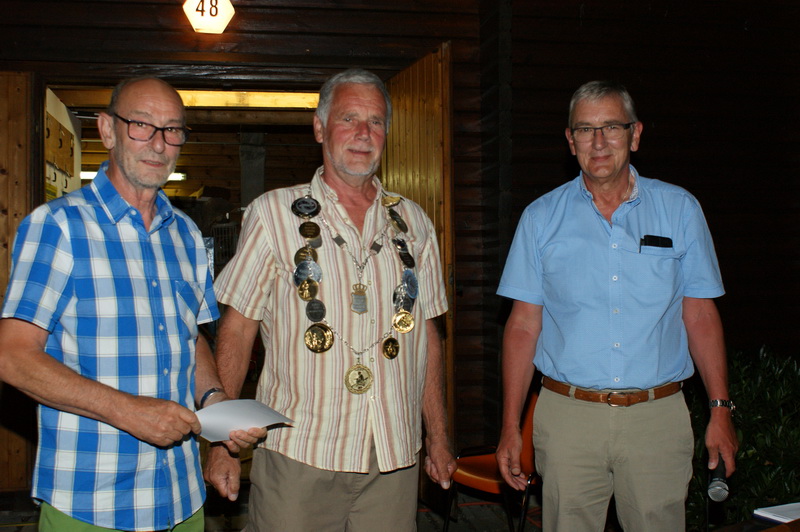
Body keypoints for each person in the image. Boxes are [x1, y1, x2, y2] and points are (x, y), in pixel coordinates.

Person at [0, 77, 265, 532]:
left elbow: (190, 337)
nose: (159, 144)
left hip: (181, 497)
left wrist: (214, 399)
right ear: (107, 130)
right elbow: (11, 356)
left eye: (172, 129)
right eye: (141, 125)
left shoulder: (185, 234)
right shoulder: (58, 226)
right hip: (92, 501)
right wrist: (127, 410)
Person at [204, 68, 456, 531]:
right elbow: (237, 329)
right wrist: (221, 442)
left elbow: (426, 336)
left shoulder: (415, 223)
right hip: (301, 455)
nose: (363, 133)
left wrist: (438, 437)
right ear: (320, 128)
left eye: (375, 121)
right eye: (349, 118)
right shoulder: (273, 214)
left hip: (393, 456)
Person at [495, 80, 739, 531]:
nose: (599, 141)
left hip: (656, 418)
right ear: (570, 141)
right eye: (585, 130)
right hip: (568, 419)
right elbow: (523, 325)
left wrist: (720, 409)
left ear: (635, 134)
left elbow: (701, 315)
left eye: (611, 127)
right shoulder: (540, 219)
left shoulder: (680, 210)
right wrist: (511, 424)